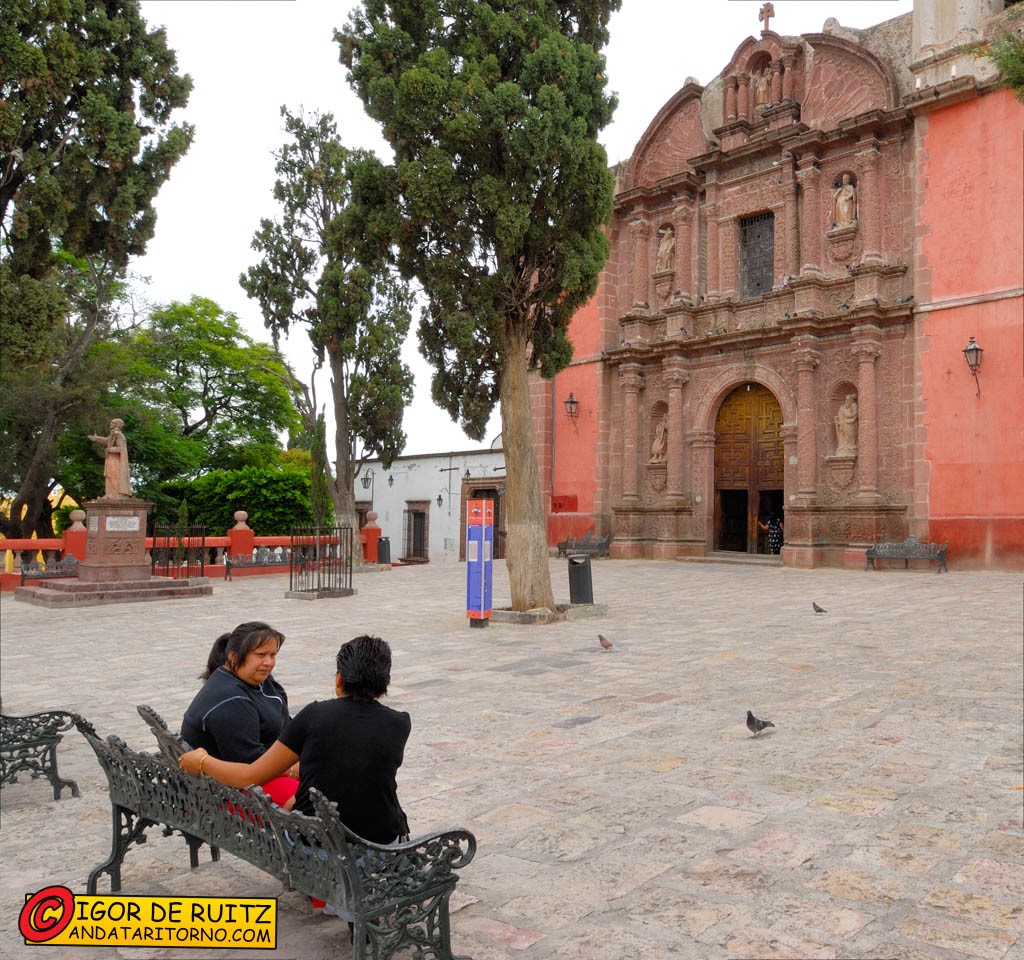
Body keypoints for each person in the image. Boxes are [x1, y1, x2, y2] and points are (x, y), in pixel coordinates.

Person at [180, 633, 410, 841]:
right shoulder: (400, 722)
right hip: (383, 837)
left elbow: (249, 776)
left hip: (316, 840)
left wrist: (201, 761)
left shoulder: (315, 715)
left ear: (339, 680)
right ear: (385, 683)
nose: (268, 662)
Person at [181, 621, 298, 808]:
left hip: (259, 771)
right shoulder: (230, 700)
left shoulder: (257, 678)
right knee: (314, 799)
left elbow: (286, 725)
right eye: (260, 655)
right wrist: (295, 768)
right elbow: (252, 766)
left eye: (273, 655)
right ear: (234, 657)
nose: (268, 662)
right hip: (230, 790)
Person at [87, 418, 132, 498]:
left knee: (114, 476)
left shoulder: (119, 435)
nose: (111, 423)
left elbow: (122, 449)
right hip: (110, 459)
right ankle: (110, 493)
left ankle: (116, 494)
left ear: (117, 425)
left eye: (113, 422)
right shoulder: (113, 434)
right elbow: (107, 441)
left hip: (116, 460)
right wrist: (96, 439)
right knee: (109, 476)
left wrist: (110, 449)